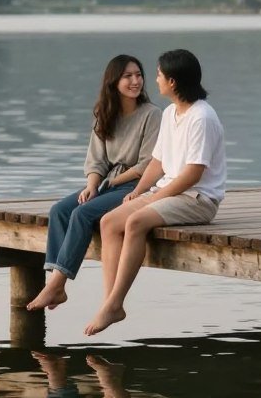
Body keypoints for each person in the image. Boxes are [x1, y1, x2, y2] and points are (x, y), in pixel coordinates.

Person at [84, 49, 225, 336]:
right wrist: (138, 192)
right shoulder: (172, 112)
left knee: (135, 222)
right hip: (169, 193)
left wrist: (154, 199)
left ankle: (115, 302)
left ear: (172, 81)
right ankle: (111, 303)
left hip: (198, 199)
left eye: (159, 74)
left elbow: (192, 175)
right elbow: (158, 162)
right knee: (109, 221)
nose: (154, 79)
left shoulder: (202, 117)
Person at [26, 54, 161, 311]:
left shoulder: (152, 114)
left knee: (83, 214)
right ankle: (57, 285)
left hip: (137, 185)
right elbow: (96, 159)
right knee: (60, 210)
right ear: (113, 82)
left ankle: (55, 284)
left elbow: (149, 163)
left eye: (139, 75)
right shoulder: (104, 113)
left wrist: (114, 181)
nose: (136, 81)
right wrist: (92, 185)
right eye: (128, 76)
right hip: (108, 183)